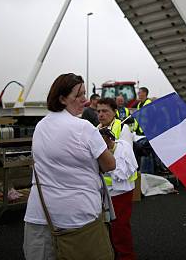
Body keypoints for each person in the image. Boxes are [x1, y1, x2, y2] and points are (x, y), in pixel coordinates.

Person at [23, 73, 116, 260]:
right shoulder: (84, 128)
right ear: (62, 98)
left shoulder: (41, 126)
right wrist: (108, 147)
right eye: (79, 95)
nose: (86, 100)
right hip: (78, 217)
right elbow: (109, 165)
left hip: (40, 216)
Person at [99, 126, 137, 260]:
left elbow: (123, 164)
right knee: (107, 227)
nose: (101, 114)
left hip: (121, 189)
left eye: (105, 111)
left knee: (120, 227)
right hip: (103, 190)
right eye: (98, 111)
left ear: (114, 111)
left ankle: (126, 256)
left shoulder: (122, 127)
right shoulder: (95, 129)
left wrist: (111, 146)